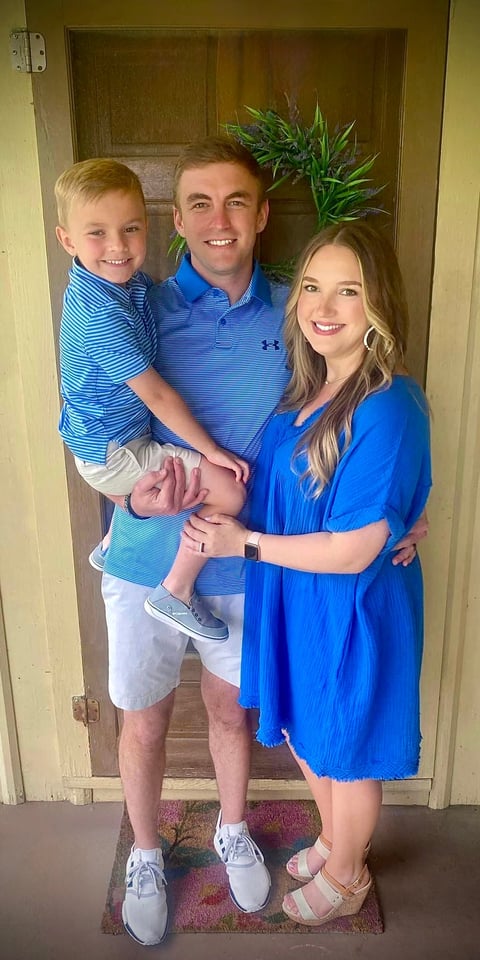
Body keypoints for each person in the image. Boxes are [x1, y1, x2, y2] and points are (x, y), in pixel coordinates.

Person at [100, 140, 425, 945]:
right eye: (200, 204)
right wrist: (126, 491)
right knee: (141, 718)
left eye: (237, 201)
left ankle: (239, 830)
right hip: (152, 558)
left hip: (263, 570)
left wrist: (402, 518)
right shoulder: (135, 311)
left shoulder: (295, 317)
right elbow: (97, 427)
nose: (219, 221)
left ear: (263, 214)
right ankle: (147, 851)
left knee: (237, 716)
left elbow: (373, 433)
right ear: (176, 221)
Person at [182, 220, 432, 927]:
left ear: (378, 303)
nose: (324, 305)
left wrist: (245, 545)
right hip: (297, 601)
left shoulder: (389, 405)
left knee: (345, 746)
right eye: (313, 287)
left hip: (350, 606)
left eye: (348, 290)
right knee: (306, 731)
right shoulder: (308, 390)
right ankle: (333, 839)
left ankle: (350, 873)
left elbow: (355, 548)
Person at [55, 157, 251, 642]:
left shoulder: (130, 285)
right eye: (96, 233)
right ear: (67, 241)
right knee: (229, 490)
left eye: (131, 228)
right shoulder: (98, 310)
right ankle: (176, 589)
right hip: (113, 451)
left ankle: (111, 541)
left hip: (113, 438)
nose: (118, 246)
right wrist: (212, 451)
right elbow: (158, 395)